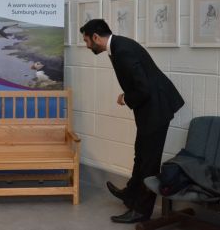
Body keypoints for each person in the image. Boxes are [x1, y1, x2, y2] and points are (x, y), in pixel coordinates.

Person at [79, 19, 184, 224]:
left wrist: (126, 98)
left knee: (149, 162)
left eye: (86, 41)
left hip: (157, 108)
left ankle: (142, 211)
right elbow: (139, 82)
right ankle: (131, 194)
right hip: (150, 107)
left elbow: (143, 88)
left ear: (96, 37)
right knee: (141, 153)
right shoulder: (118, 45)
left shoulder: (122, 51)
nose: (86, 45)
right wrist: (128, 95)